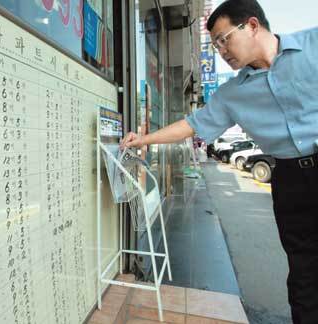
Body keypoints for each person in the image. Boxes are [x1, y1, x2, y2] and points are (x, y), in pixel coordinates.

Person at [120, 1, 318, 323]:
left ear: (252, 25)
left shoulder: (314, 45)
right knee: (304, 275)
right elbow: (190, 125)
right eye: (215, 44)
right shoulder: (231, 94)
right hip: (290, 182)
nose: (221, 50)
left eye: (224, 39)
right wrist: (142, 140)